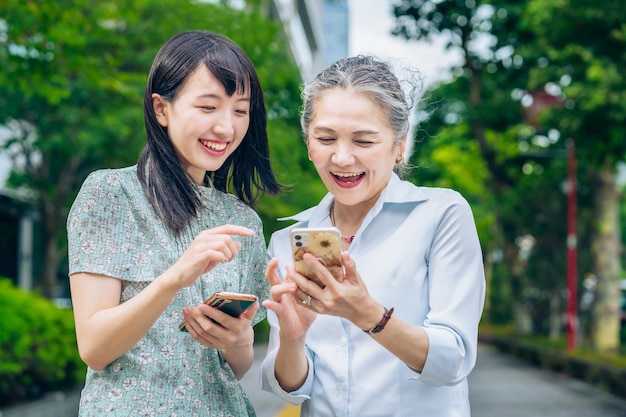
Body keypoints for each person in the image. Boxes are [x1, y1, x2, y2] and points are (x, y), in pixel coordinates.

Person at [67, 30, 279, 416]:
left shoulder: (240, 220)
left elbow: (235, 367)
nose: (226, 128)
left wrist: (236, 339)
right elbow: (94, 349)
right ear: (161, 109)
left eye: (240, 110)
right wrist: (174, 278)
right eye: (208, 107)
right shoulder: (111, 194)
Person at [260, 55, 486, 416]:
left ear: (400, 145)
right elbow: (291, 389)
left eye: (363, 141)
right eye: (325, 138)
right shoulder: (290, 239)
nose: (343, 158)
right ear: (308, 143)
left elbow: (453, 359)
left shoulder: (441, 215)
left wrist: (369, 315)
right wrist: (292, 339)